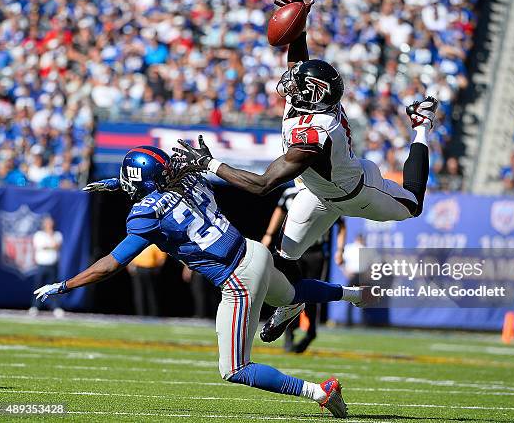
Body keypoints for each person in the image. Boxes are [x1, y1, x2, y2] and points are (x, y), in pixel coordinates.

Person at [171, 0, 437, 344]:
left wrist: (210, 163)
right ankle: (293, 304)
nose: (289, 83)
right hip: (315, 193)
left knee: (413, 207)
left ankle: (421, 125)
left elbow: (263, 185)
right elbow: (299, 63)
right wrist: (299, 25)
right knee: (282, 259)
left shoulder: (315, 134)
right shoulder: (309, 104)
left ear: (313, 95)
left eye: (298, 86)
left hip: (357, 193)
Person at [34, 145, 377, 418]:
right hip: (252, 249)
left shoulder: (145, 217)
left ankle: (319, 391)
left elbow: (109, 265)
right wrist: (116, 184)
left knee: (235, 368)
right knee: (292, 292)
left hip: (237, 278)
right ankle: (353, 294)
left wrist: (65, 285)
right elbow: (161, 181)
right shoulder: (190, 181)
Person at [262, 183, 346, 353]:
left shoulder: (324, 191)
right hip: (292, 253)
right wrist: (269, 235)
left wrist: (340, 249)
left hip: (315, 253)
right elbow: (279, 212)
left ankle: (310, 333)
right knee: (288, 292)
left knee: (312, 296)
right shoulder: (290, 193)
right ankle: (288, 334)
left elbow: (341, 223)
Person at [30, 216, 64, 318]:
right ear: (43, 224)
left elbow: (56, 246)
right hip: (41, 265)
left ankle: (55, 307)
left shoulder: (57, 235)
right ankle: (35, 307)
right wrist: (49, 246)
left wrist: (50, 236)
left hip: (53, 265)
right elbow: (41, 246)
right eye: (47, 223)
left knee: (54, 287)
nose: (49, 225)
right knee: (38, 287)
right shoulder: (38, 235)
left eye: (51, 223)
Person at [127, 244, 166, 317]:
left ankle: (154, 315)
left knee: (152, 292)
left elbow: (161, 258)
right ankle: (140, 314)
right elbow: (129, 255)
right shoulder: (138, 243)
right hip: (138, 269)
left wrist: (157, 269)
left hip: (151, 269)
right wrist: (130, 266)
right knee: (139, 293)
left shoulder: (155, 244)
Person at [341, 234, 366, 327]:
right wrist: (345, 271)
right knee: (351, 298)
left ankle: (362, 322)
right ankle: (348, 321)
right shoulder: (350, 248)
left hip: (360, 275)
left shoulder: (364, 248)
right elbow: (341, 260)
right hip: (352, 275)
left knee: (362, 298)